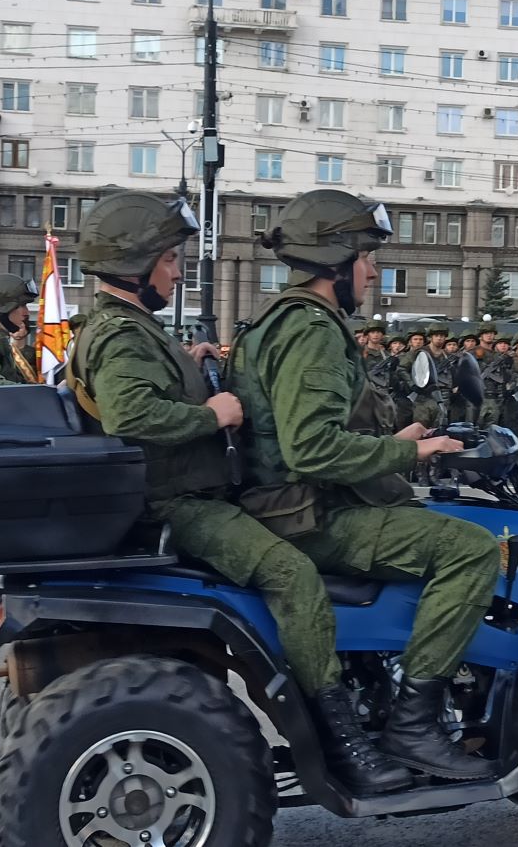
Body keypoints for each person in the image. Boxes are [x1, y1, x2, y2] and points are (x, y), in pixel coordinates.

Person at [69, 191, 413, 796]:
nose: (177, 271)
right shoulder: (119, 332)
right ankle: (343, 740)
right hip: (179, 504)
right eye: (170, 260)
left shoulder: (126, 325)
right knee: (293, 573)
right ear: (135, 265)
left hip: (179, 494)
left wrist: (190, 362)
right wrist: (212, 414)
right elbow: (129, 413)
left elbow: (145, 388)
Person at [230, 189, 499, 780]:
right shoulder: (312, 330)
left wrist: (402, 434)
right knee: (473, 548)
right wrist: (409, 450)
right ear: (335, 260)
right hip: (309, 515)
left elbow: (305, 429)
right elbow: (312, 448)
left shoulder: (276, 321)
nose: (374, 271)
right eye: (366, 257)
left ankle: (395, 687)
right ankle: (414, 727)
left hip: (287, 505)